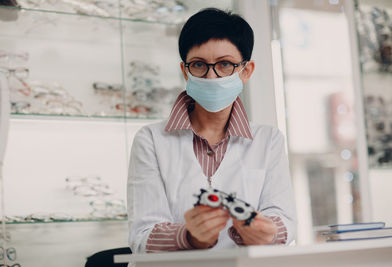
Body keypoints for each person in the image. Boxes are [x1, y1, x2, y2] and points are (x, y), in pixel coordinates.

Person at [127, 8, 296, 253]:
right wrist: (190, 236)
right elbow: (142, 237)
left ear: (246, 71)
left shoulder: (268, 140)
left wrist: (265, 231)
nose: (211, 76)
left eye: (225, 64)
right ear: (185, 71)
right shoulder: (151, 140)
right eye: (198, 65)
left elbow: (284, 222)